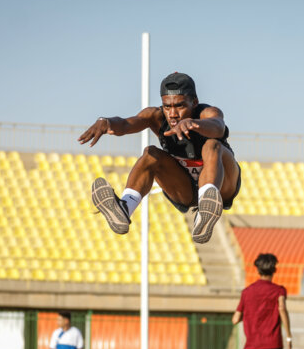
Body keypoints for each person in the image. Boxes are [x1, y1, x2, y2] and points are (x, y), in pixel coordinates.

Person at [79, 72, 241, 244]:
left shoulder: (207, 113)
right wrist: (107, 122)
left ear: (194, 103)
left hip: (222, 185)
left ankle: (206, 208)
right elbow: (126, 124)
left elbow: (218, 126)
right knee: (151, 153)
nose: (172, 114)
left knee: (212, 145)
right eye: (167, 106)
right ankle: (125, 207)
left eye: (179, 106)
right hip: (183, 188)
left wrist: (195, 124)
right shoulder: (155, 116)